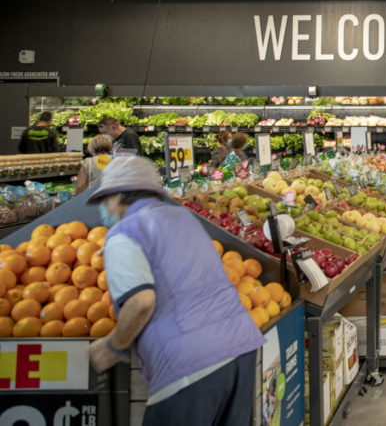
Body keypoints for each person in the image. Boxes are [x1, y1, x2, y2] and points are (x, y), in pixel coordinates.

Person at [85, 156, 265, 425]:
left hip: (190, 365)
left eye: (106, 199)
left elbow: (141, 302)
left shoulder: (124, 234)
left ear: (119, 196)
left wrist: (112, 347)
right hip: (240, 349)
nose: (104, 207)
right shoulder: (183, 216)